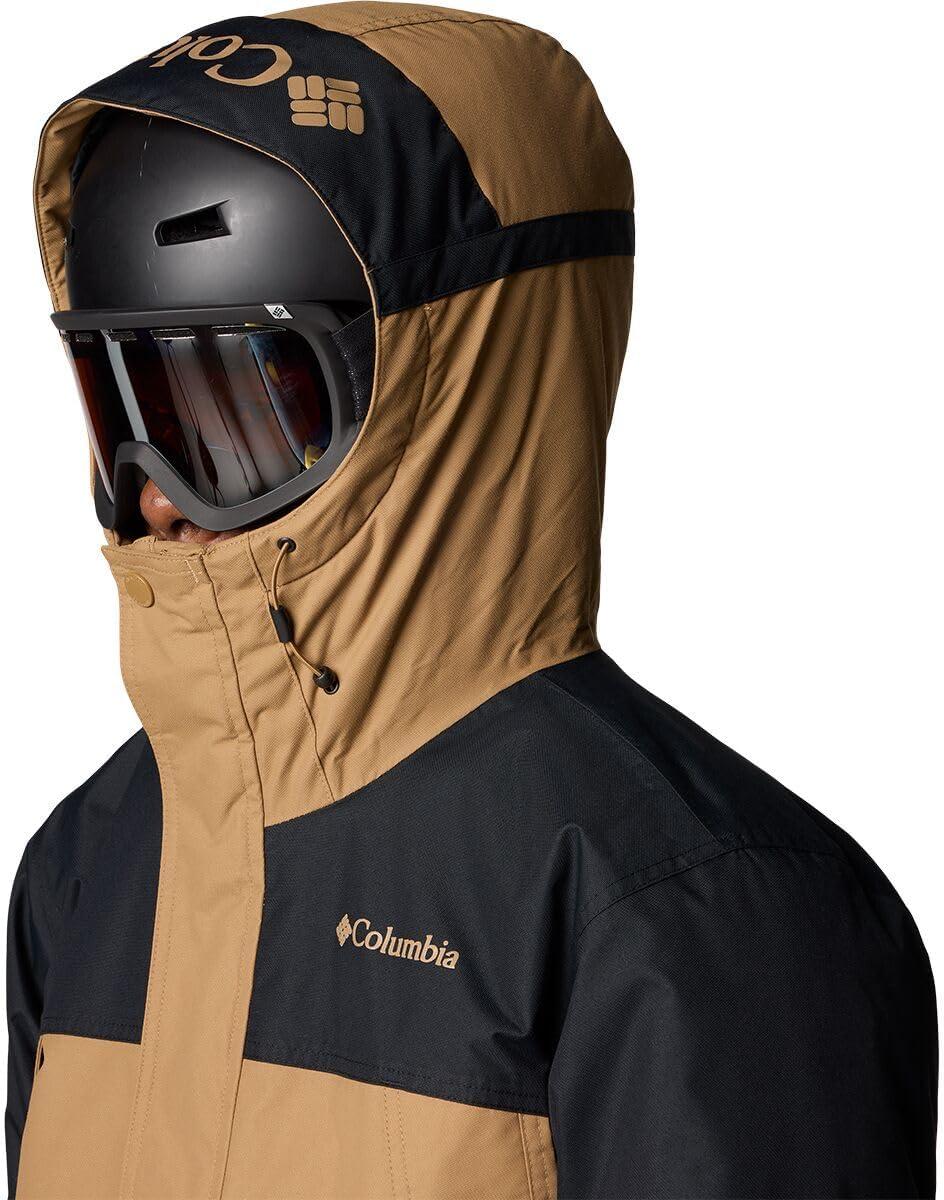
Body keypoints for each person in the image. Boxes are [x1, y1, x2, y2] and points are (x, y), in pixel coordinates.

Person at [7, 5, 937, 1198]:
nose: (154, 496)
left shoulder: (697, 907)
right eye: (125, 409)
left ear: (451, 386)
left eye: (238, 410)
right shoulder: (89, 861)